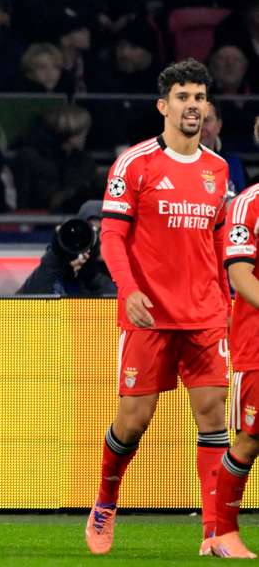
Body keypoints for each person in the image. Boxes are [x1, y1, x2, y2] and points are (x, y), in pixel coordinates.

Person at [85, 59, 231, 556]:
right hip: (149, 315)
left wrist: (226, 300)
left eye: (199, 98)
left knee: (214, 419)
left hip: (206, 314)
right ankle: (105, 501)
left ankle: (215, 530)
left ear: (207, 106)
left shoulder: (218, 169)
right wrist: (129, 290)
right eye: (183, 97)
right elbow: (111, 235)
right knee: (133, 421)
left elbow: (216, 242)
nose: (193, 106)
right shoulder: (136, 164)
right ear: (163, 105)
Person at [207, 181, 259, 558]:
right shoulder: (247, 205)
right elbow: (241, 278)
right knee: (250, 440)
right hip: (257, 345)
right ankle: (223, 534)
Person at [17, 200, 116, 296]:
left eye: (100, 232)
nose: (94, 239)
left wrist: (91, 273)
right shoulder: (59, 265)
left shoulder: (118, 271)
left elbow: (116, 305)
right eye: (88, 232)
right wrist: (55, 254)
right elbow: (22, 305)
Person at [201, 101, 247, 195]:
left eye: (206, 120)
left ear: (219, 125)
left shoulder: (234, 165)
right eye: (195, 119)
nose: (200, 127)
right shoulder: (174, 165)